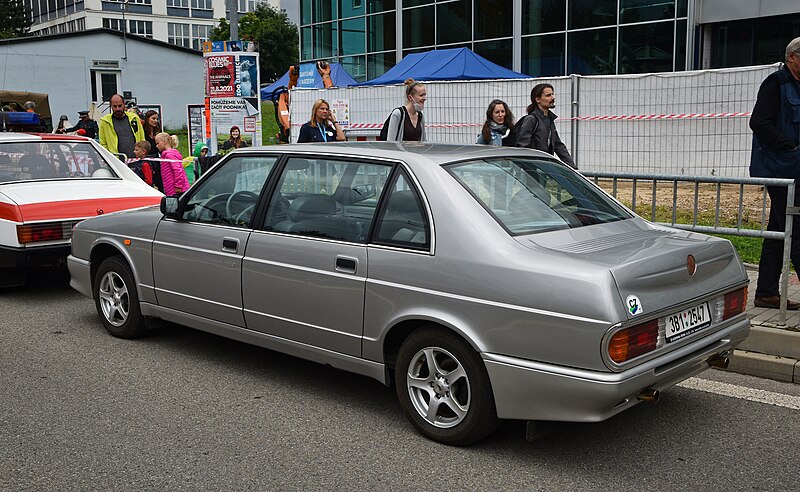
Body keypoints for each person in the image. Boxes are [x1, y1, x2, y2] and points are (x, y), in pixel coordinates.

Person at [749, 37, 800, 310]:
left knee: (779, 230)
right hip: (779, 169)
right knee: (797, 229)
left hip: (794, 170)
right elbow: (758, 122)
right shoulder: (776, 83)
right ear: (792, 57)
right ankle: (767, 292)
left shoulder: (797, 86)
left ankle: (766, 292)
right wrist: (789, 146)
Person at [515, 83, 575, 168]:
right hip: (532, 169)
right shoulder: (531, 119)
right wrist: (529, 168)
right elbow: (522, 147)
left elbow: (558, 145)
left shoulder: (549, 120)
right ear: (538, 99)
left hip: (544, 167)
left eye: (552, 94)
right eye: (548, 95)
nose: (553, 97)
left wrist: (573, 168)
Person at [99, 94, 145, 159]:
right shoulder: (104, 121)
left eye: (120, 106)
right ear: (110, 106)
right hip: (116, 161)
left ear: (124, 104)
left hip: (136, 160)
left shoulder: (134, 118)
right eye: (114, 106)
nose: (118, 109)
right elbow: (103, 144)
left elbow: (141, 138)